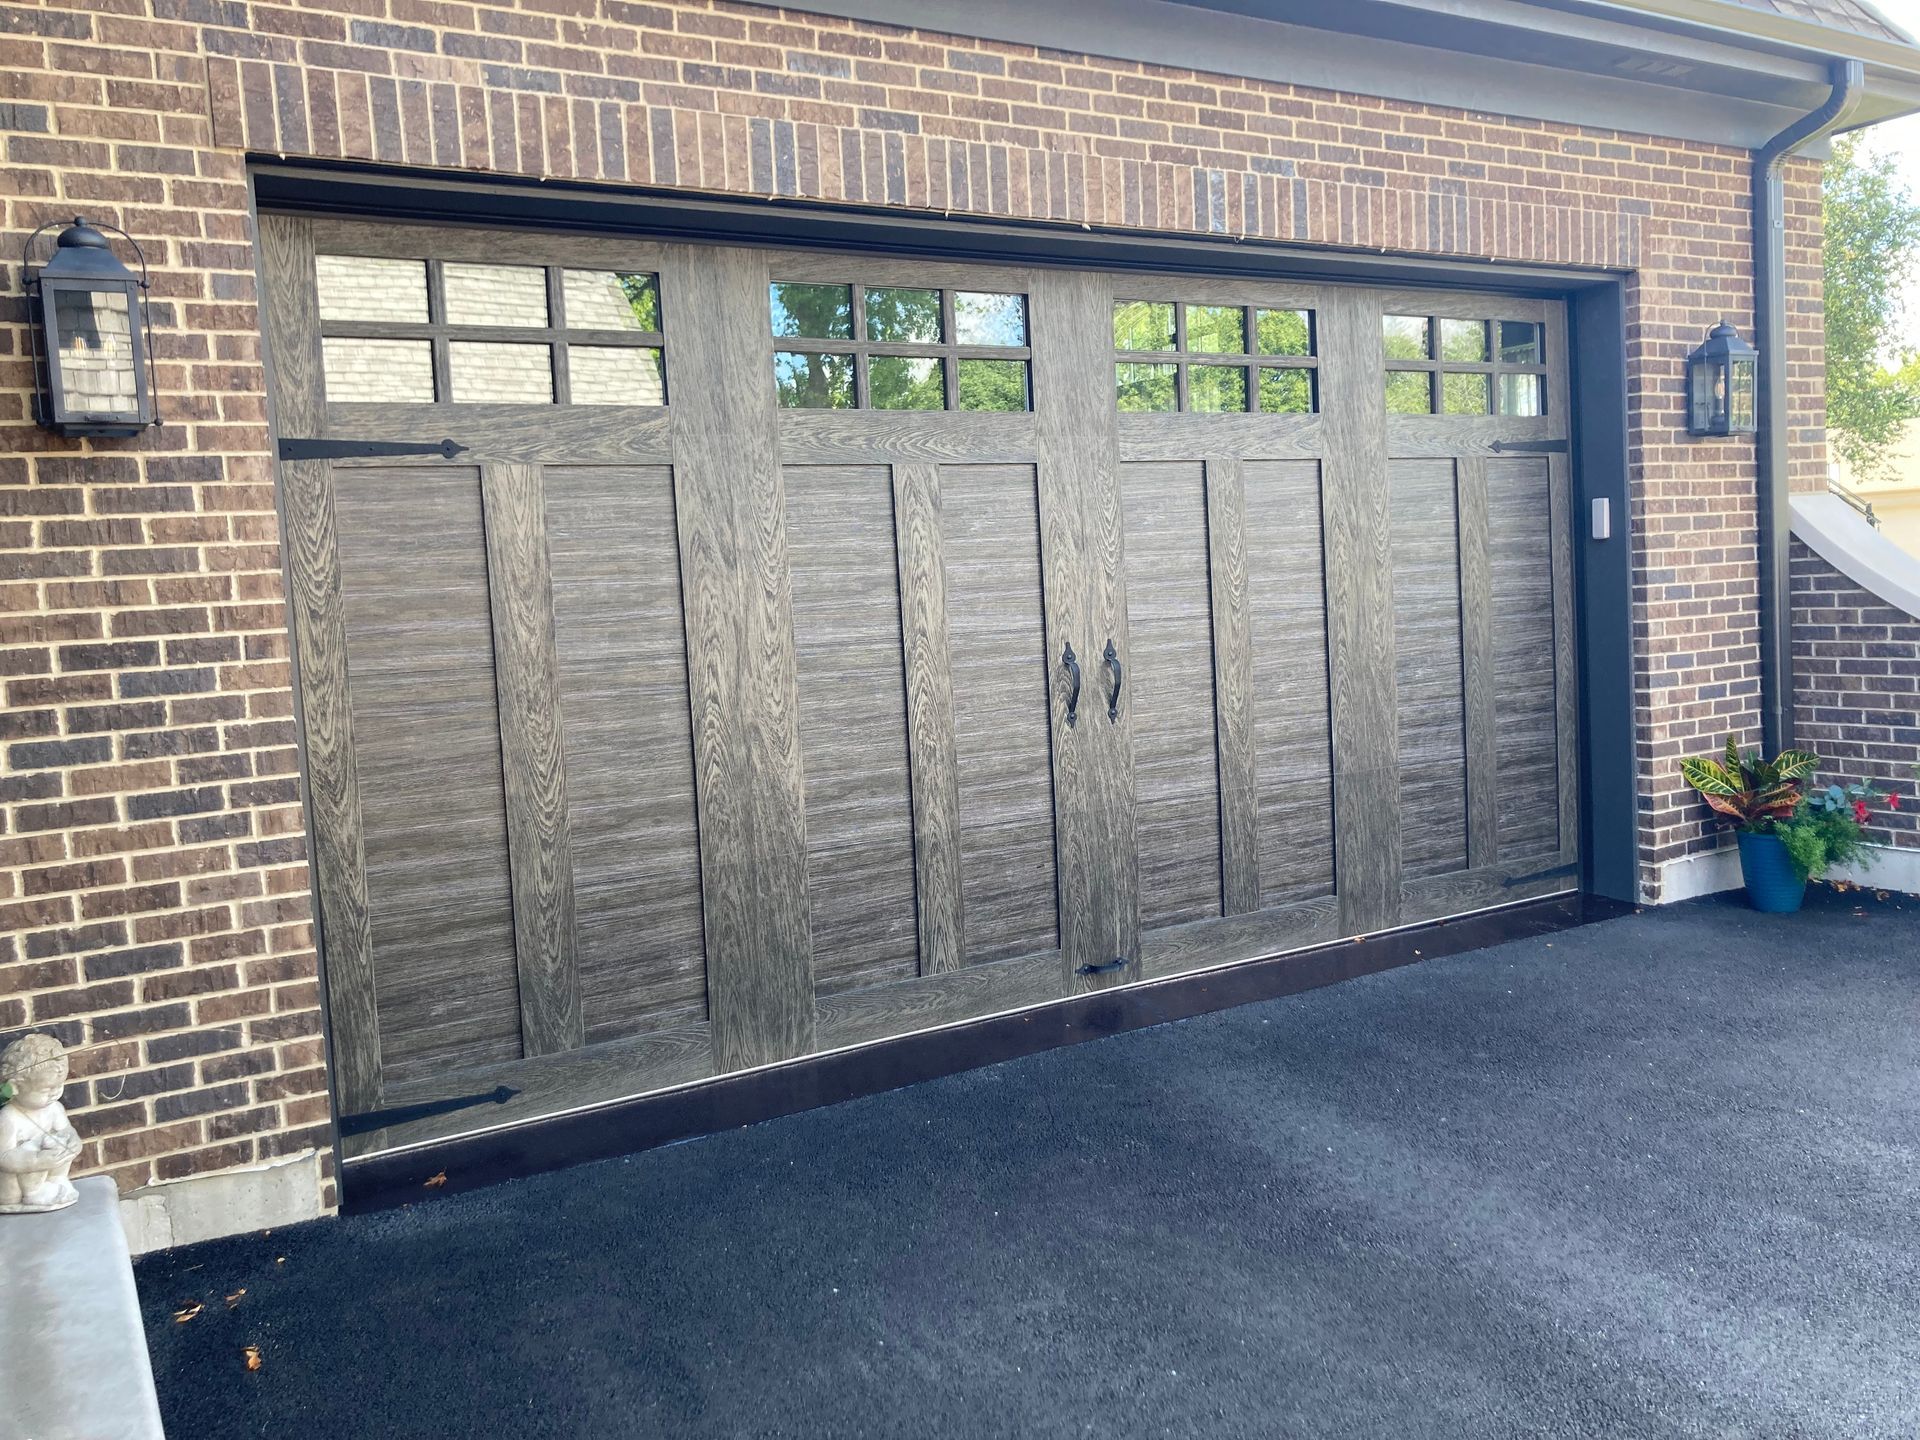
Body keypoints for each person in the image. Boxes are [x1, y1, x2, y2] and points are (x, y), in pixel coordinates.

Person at [0, 1033, 82, 1213]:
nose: (54, 1093)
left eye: (59, 1086)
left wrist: (72, 1142)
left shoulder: (54, 1108)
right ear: (15, 1086)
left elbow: (67, 1131)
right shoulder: (9, 1118)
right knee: (32, 1148)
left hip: (48, 1172)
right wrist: (37, 1160)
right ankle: (34, 1193)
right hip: (13, 1188)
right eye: (46, 1089)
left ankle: (56, 1182)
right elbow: (3, 1158)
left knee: (58, 1141)